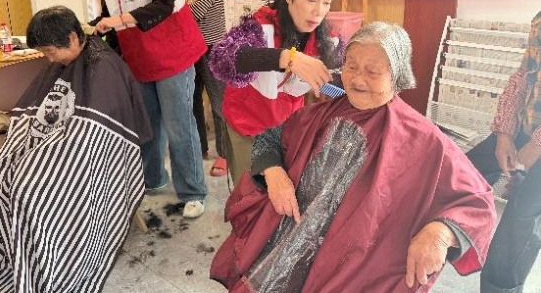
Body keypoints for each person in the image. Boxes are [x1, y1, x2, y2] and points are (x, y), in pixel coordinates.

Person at [210, 22, 497, 292]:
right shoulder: (318, 115)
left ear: (396, 76)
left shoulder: (424, 139)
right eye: (351, 66)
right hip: (286, 249)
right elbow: (269, 139)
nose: (358, 79)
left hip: (355, 271)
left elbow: (478, 202)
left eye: (372, 71)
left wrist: (440, 233)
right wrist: (273, 172)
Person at [0, 6, 151, 292]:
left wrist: (56, 148)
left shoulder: (104, 67)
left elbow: (94, 134)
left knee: (28, 191)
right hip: (57, 143)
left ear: (72, 38)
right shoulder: (60, 62)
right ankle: (18, 257)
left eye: (50, 52)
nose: (49, 59)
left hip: (86, 155)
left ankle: (54, 262)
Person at [74, 0, 208, 219]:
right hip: (140, 62)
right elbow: (110, 22)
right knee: (147, 125)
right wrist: (87, 31)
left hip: (173, 57)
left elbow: (164, 3)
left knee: (179, 126)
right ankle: (153, 178)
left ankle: (193, 191)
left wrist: (119, 20)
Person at [209, 0, 343, 184]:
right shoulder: (261, 23)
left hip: (286, 125)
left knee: (283, 190)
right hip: (248, 123)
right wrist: (288, 58)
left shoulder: (325, 36)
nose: (318, 11)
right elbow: (223, 58)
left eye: (326, 2)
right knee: (251, 191)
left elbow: (335, 76)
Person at [466, 0, 541, 293]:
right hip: (527, 127)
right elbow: (522, 78)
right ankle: (439, 243)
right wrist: (504, 135)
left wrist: (534, 148)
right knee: (463, 174)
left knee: (520, 223)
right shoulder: (539, 22)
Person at [170, 0, 230, 177]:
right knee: (191, 102)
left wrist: (175, 11)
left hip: (213, 48)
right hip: (187, 50)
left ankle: (226, 155)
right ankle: (200, 148)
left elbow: (195, 11)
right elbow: (169, 8)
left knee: (219, 103)